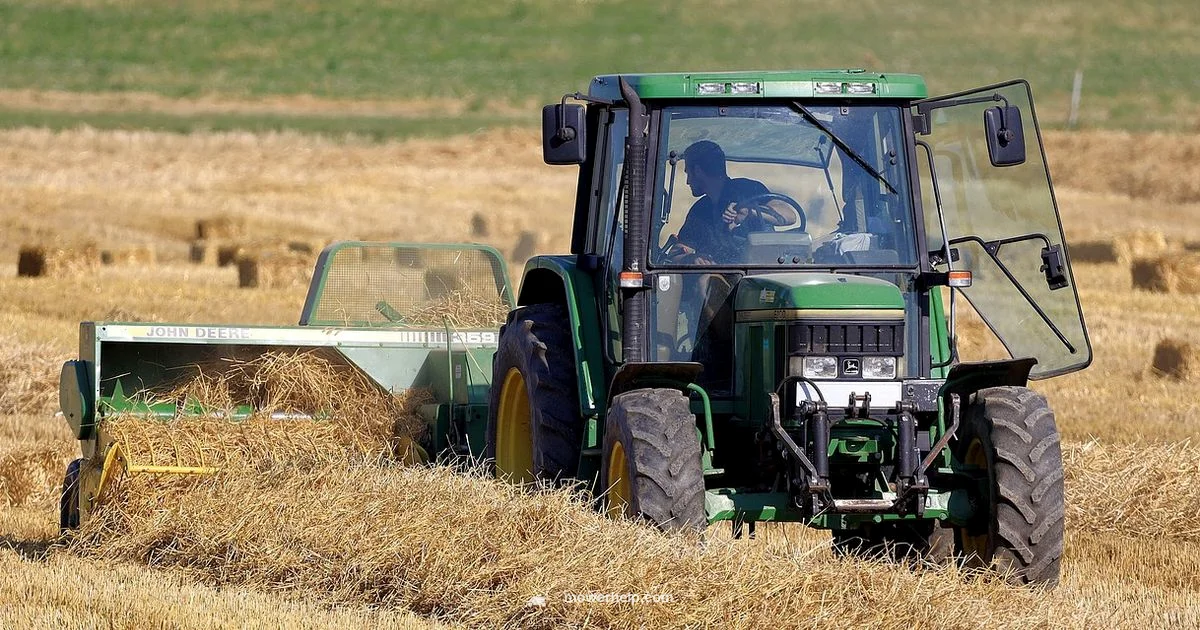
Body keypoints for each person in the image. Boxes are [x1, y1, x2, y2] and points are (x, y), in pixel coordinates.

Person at [666, 140, 792, 264]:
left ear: (698, 171)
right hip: (720, 278)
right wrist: (690, 258)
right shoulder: (700, 210)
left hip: (760, 274)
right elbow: (676, 252)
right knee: (704, 278)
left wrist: (750, 211)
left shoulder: (748, 190)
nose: (688, 182)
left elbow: (789, 216)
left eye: (688, 174)